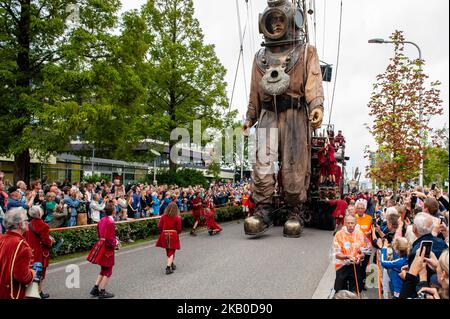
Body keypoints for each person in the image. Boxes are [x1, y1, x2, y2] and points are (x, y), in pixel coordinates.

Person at [243, 0, 324, 238]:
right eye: (273, 21)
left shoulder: (306, 52)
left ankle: (294, 211)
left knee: (294, 163)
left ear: (293, 21)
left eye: (280, 20)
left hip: (295, 113)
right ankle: (263, 210)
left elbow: (314, 81)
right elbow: (254, 91)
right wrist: (250, 116)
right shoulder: (260, 57)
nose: (277, 24)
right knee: (263, 162)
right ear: (264, 23)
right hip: (268, 113)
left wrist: (316, 105)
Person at [0, 207, 36, 299]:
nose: (28, 222)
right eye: (26, 220)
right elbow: (22, 277)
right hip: (12, 294)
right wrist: (32, 273)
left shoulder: (1, 238)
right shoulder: (22, 246)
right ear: (20, 224)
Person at [333, 214, 369, 294]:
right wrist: (347, 256)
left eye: (352, 223)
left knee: (355, 291)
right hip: (342, 266)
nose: (350, 225)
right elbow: (336, 254)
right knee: (340, 290)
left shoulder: (360, 234)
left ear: (355, 223)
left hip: (355, 265)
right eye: (348, 223)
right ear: (345, 223)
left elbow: (363, 252)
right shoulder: (339, 234)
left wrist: (360, 256)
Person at [87, 203, 117, 299]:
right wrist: (115, 243)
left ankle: (95, 288)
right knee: (108, 270)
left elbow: (99, 232)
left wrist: (103, 240)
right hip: (107, 247)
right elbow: (110, 238)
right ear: (113, 211)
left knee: (103, 269)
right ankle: (102, 291)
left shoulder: (102, 220)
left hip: (101, 244)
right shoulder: (111, 222)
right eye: (115, 209)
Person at [24, 206, 53, 299]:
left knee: (30, 272)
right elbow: (46, 241)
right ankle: (38, 292)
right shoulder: (44, 225)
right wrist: (51, 241)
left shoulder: (27, 224)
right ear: (39, 213)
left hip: (29, 251)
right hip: (40, 252)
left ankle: (30, 291)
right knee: (40, 273)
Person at [155, 202, 182, 275]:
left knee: (168, 250)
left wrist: (162, 232)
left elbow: (159, 226)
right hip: (173, 234)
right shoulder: (177, 217)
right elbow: (179, 228)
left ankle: (171, 263)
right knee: (172, 251)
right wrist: (177, 233)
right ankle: (168, 267)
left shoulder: (164, 216)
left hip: (164, 234)